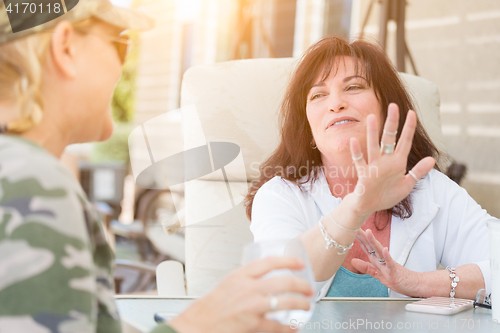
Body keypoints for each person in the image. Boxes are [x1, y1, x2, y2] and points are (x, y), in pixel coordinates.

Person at [0, 1, 313, 332]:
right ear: (66, 48)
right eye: (121, 45)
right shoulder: (31, 182)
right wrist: (199, 324)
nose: (123, 69)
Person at [245, 36, 491, 300]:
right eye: (318, 94)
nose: (335, 103)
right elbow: (280, 281)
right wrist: (357, 206)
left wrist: (417, 283)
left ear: (385, 109)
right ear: (309, 131)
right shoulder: (279, 194)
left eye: (353, 87)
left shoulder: (430, 189)